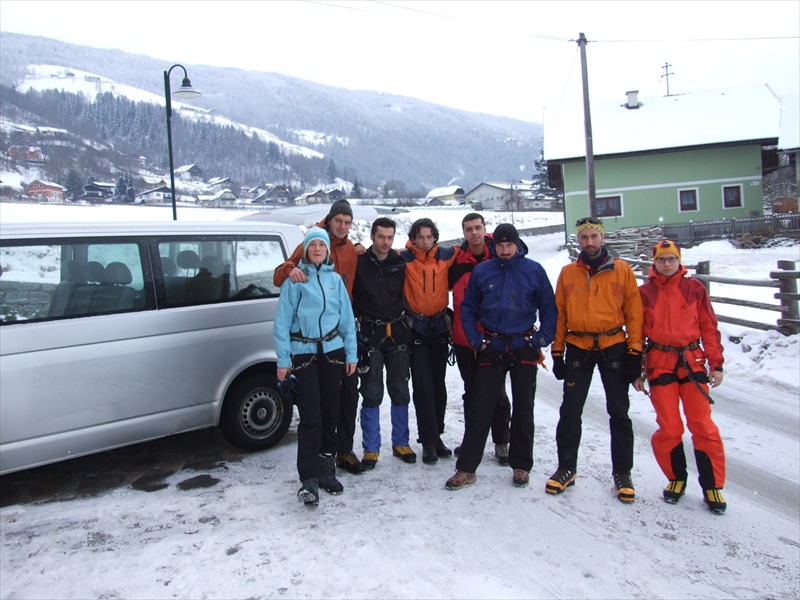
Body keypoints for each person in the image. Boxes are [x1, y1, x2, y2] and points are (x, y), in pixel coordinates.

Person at [445, 224, 557, 490]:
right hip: (492, 345)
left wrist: (541, 339)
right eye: (500, 246)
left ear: (518, 245)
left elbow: (549, 308)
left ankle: (521, 465)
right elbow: (468, 308)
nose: (505, 250)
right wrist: (476, 339)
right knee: (480, 406)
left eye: (510, 245)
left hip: (523, 343)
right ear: (494, 247)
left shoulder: (533, 270)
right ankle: (466, 468)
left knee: (524, 407)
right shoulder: (483, 271)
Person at [546, 217, 644, 503]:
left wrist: (634, 352)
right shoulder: (568, 273)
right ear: (578, 240)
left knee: (619, 412)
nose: (589, 242)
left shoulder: (622, 271)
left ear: (602, 238)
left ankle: (622, 473)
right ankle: (566, 468)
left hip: (613, 344)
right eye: (584, 237)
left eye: (594, 237)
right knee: (570, 411)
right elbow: (560, 313)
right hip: (578, 346)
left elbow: (635, 314)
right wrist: (557, 352)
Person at [632, 240, 727, 514]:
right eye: (662, 260)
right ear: (654, 263)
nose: (667, 264)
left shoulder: (694, 289)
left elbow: (709, 327)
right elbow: (636, 333)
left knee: (702, 424)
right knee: (669, 427)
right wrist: (636, 370)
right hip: (660, 364)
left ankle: (712, 485)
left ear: (679, 261)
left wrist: (716, 364)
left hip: (692, 362)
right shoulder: (644, 293)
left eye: (671, 259)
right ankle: (676, 478)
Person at [273, 199, 367, 476]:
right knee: (312, 414)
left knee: (340, 406)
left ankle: (337, 457)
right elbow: (281, 287)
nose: (343, 226)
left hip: (336, 345)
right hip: (307, 350)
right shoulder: (305, 260)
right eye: (339, 220)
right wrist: (289, 269)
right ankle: (310, 472)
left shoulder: (345, 259)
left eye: (347, 222)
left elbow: (348, 312)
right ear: (329, 220)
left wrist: (351, 352)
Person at [352, 217, 416, 469]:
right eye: (381, 237)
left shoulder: (399, 262)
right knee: (371, 391)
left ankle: (401, 442)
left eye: (390, 237)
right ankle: (371, 448)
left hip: (397, 332)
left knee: (400, 389)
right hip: (370, 334)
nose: (385, 242)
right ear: (372, 236)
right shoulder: (359, 262)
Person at [449, 213, 511, 465]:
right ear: (463, 232)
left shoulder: (498, 254)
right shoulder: (456, 260)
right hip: (464, 338)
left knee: (497, 392)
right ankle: (471, 440)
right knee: (471, 392)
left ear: (485, 229)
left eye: (477, 228)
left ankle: (501, 441)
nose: (474, 233)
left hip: (493, 337)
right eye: (468, 229)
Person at [399, 217, 459, 464]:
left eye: (429, 237)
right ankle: (427, 441)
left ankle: (437, 435)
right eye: (420, 237)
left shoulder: (446, 255)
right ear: (413, 239)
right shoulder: (403, 259)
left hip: (439, 329)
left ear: (435, 237)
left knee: (438, 386)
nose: (425, 241)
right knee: (423, 387)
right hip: (417, 330)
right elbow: (376, 255)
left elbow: (474, 246)